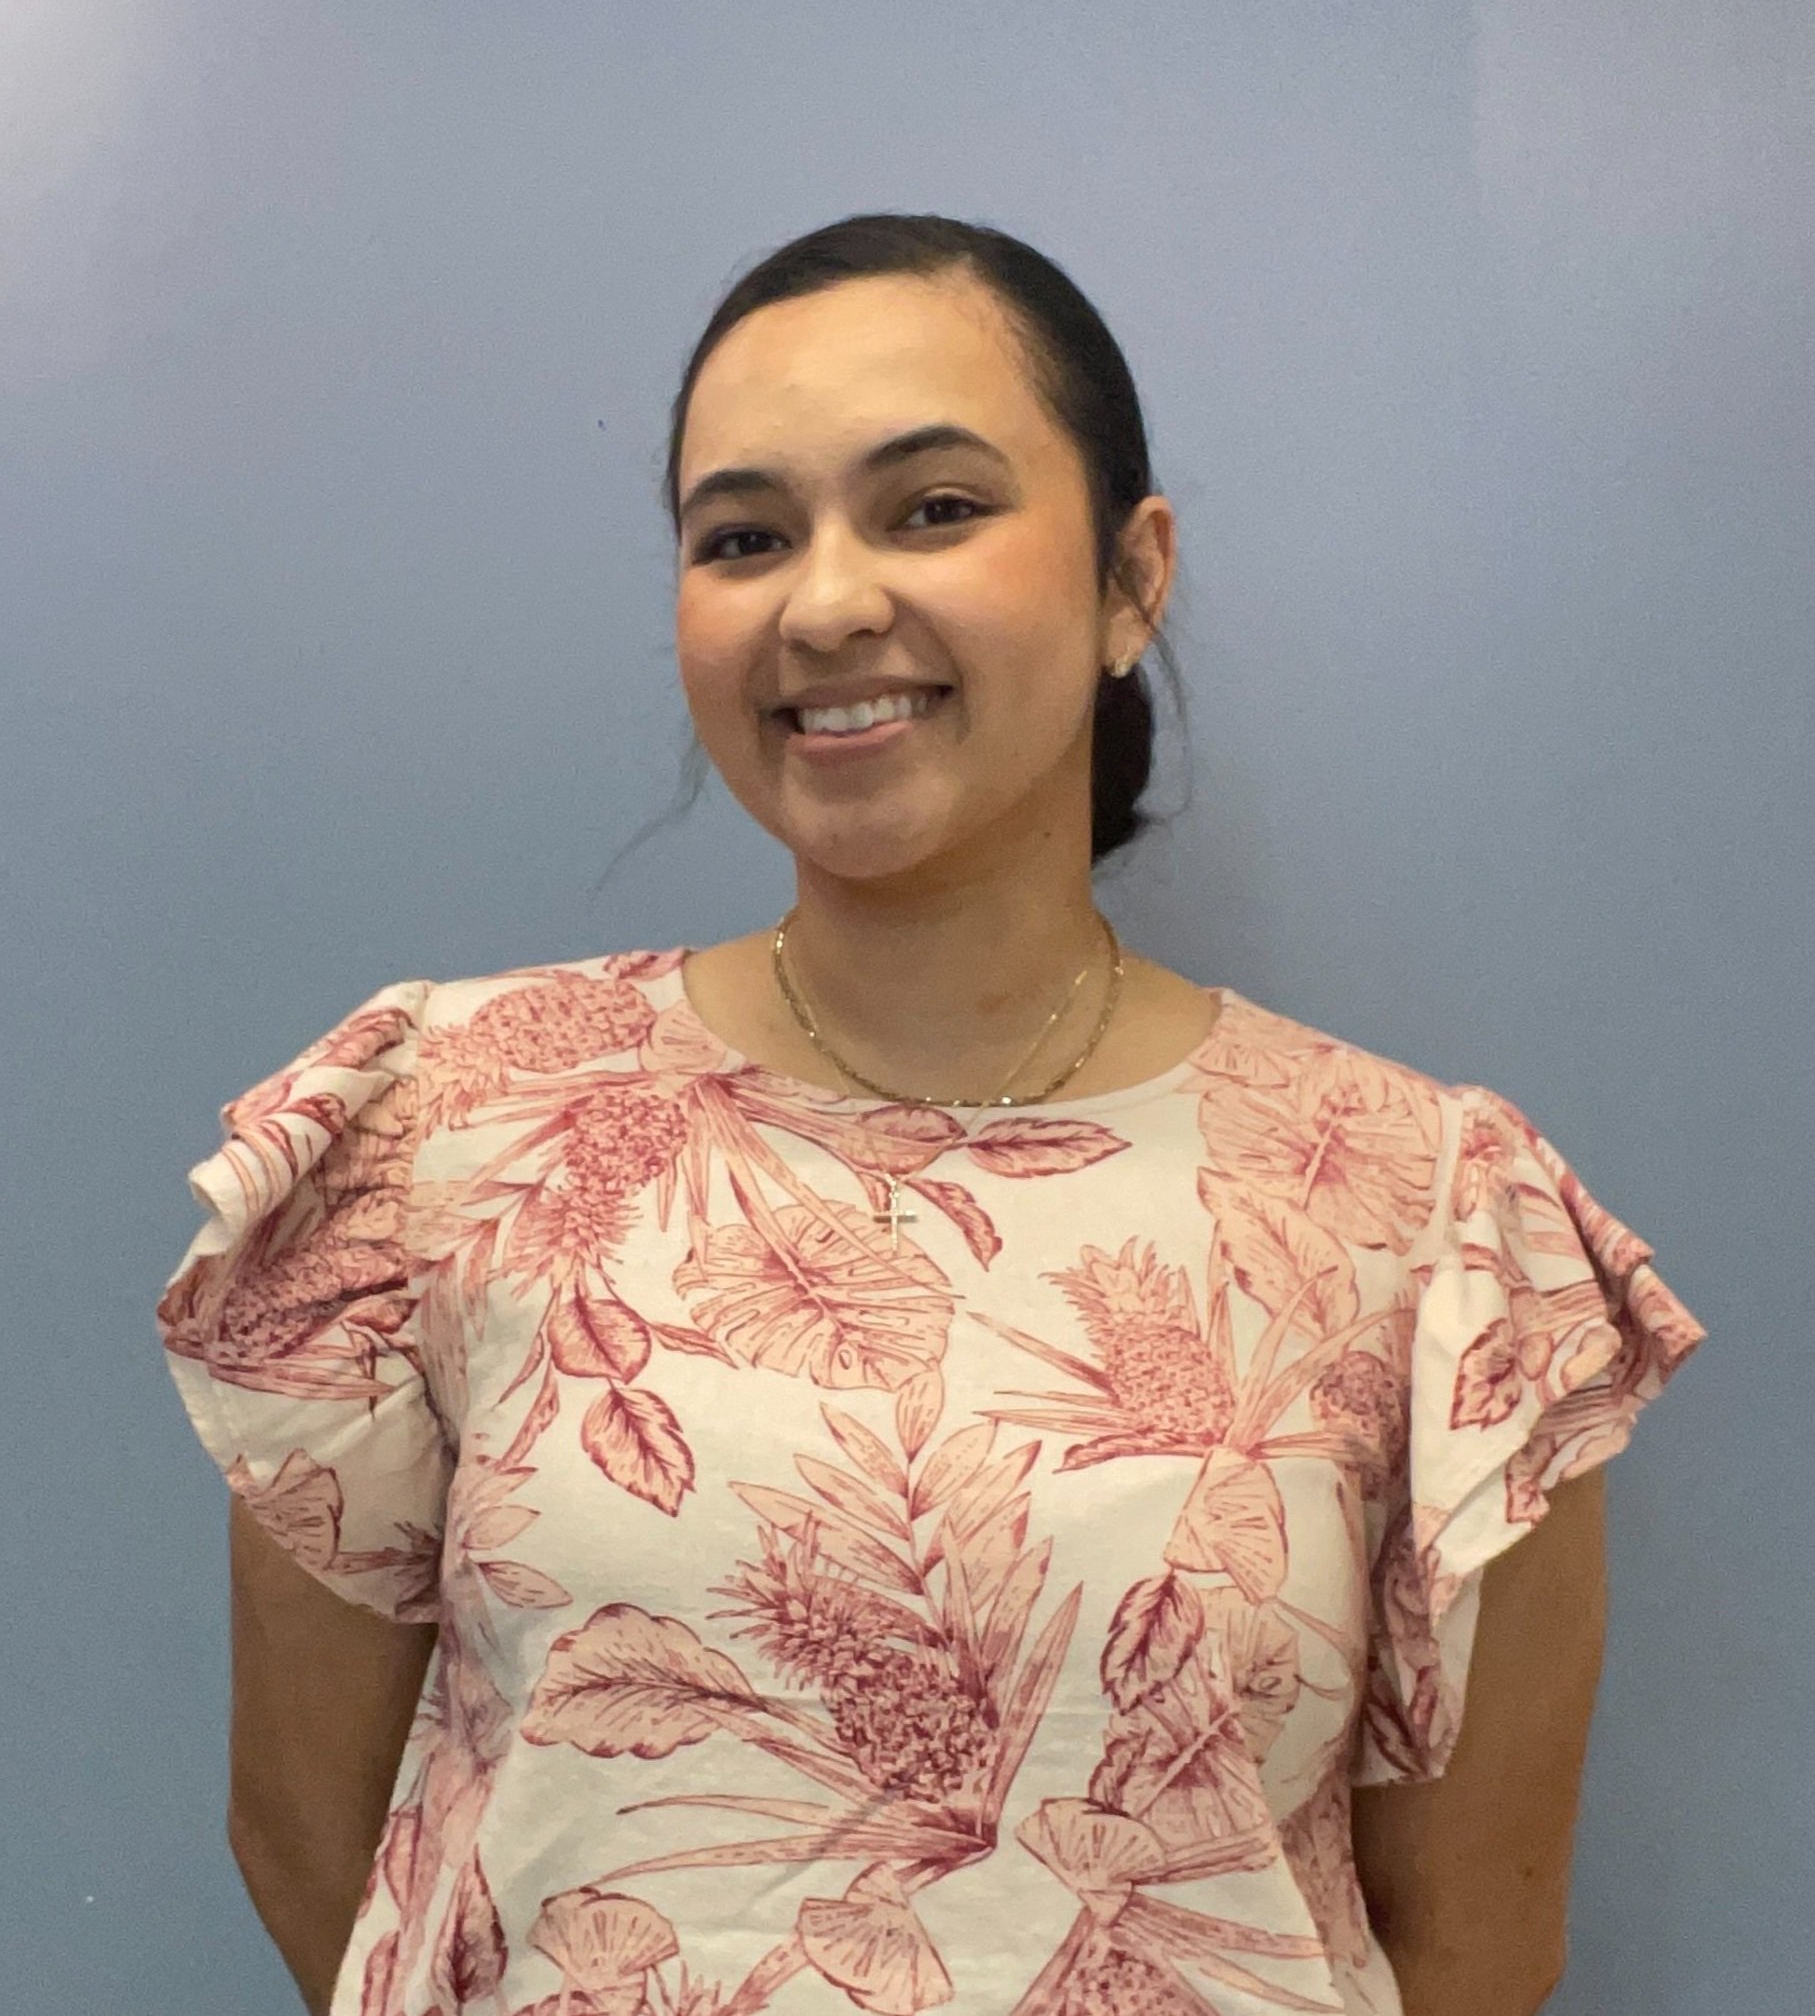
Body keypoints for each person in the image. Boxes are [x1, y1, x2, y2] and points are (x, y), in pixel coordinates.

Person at [159, 213, 1705, 2016]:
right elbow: (315, 1839)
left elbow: (1472, 1940)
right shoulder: (451, 1129)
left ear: (1133, 578)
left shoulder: (1424, 1212)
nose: (824, 604)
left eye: (934, 508)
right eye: (744, 537)